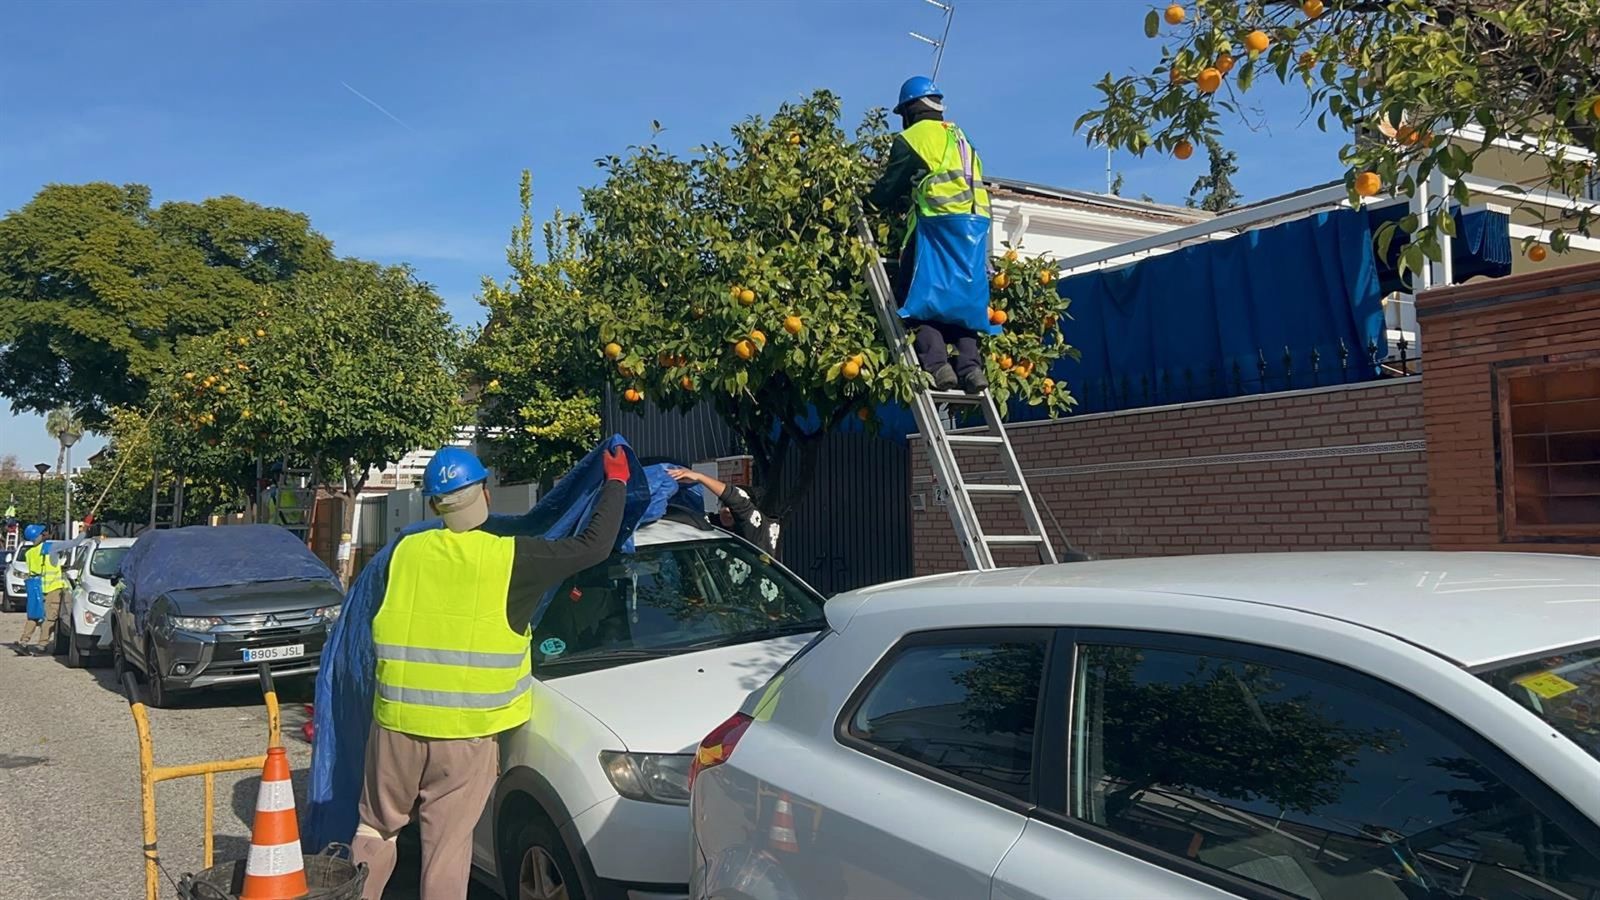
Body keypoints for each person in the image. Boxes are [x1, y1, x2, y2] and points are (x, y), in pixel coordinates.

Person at [351, 445, 631, 900]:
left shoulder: (407, 550)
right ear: (484, 492)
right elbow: (593, 546)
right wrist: (616, 481)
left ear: (435, 504)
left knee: (375, 830)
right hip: (464, 737)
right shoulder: (511, 558)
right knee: (445, 847)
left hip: (394, 728)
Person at [866, 75, 994, 394]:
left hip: (938, 227)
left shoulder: (914, 138)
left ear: (910, 111)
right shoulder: (960, 136)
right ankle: (970, 368)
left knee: (915, 298)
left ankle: (937, 366)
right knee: (962, 302)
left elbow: (891, 184)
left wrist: (868, 201)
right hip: (974, 228)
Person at [666, 467, 779, 554]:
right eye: (723, 505)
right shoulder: (710, 524)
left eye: (733, 509)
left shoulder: (758, 531)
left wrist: (699, 477)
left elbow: (737, 500)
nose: (726, 510)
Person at [17, 524, 66, 653]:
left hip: (36, 588)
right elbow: (73, 543)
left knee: (34, 615)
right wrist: (83, 531)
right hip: (52, 589)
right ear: (38, 536)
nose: (45, 533)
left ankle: (23, 642)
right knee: (49, 618)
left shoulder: (29, 553)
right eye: (43, 532)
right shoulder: (50, 548)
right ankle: (41, 645)